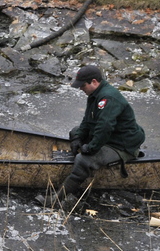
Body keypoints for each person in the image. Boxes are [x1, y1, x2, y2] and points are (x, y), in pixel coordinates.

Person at [39, 65, 146, 209]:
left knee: (84, 159)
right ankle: (74, 169)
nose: (81, 89)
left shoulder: (107, 98)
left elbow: (104, 127)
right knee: (75, 131)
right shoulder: (94, 95)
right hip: (109, 137)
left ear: (94, 82)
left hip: (121, 145)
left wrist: (91, 148)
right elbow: (88, 122)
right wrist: (77, 138)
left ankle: (55, 201)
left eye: (83, 86)